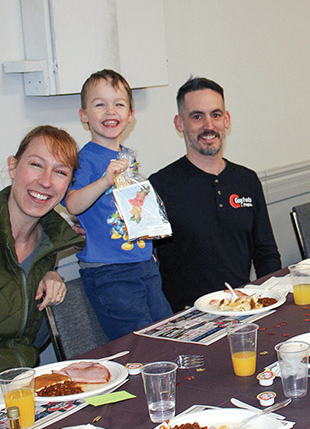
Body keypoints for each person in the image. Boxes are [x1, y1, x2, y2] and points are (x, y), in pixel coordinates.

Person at [0, 126, 84, 411]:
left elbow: (26, 340)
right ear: (13, 166)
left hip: (20, 391)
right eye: (36, 165)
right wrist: (3, 406)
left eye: (60, 172)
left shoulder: (47, 243)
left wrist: (51, 280)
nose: (46, 182)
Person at [149, 77, 281, 312]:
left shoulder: (247, 180)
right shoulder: (159, 186)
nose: (208, 125)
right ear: (180, 123)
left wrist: (270, 302)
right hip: (188, 317)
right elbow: (143, 263)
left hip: (245, 308)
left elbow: (266, 253)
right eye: (197, 116)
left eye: (216, 115)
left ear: (226, 120)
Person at [64, 69, 172, 340]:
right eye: (99, 104)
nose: (110, 111)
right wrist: (104, 181)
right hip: (109, 271)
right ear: (84, 115)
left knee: (168, 332)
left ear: (130, 115)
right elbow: (72, 204)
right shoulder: (85, 158)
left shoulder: (127, 157)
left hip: (143, 263)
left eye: (119, 104)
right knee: (139, 343)